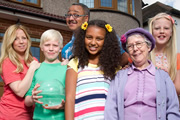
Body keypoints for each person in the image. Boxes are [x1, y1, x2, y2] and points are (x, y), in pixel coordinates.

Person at [104, 28, 180, 120]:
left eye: (139, 44)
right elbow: (111, 108)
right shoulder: (120, 77)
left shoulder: (163, 77)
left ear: (148, 47)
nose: (135, 49)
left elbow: (172, 109)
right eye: (130, 46)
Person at [65, 19, 127, 120]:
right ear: (82, 38)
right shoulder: (75, 64)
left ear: (106, 42)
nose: (93, 42)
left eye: (99, 39)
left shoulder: (113, 68)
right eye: (89, 37)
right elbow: (69, 98)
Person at [62, 3, 129, 65]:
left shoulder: (104, 36)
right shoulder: (66, 50)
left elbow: (125, 57)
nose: (71, 18)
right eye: (69, 15)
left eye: (76, 15)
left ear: (86, 18)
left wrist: (110, 72)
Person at [25, 29, 67, 120]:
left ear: (60, 48)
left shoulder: (67, 68)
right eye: (47, 45)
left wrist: (65, 105)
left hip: (61, 117)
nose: (51, 48)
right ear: (41, 47)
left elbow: (73, 97)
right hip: (39, 118)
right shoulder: (36, 69)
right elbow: (27, 101)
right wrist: (32, 98)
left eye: (55, 45)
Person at [0, 24, 40, 120]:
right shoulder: (8, 61)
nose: (21, 42)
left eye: (24, 38)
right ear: (10, 42)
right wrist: (31, 69)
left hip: (31, 113)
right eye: (16, 39)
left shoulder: (33, 60)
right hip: (11, 113)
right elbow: (20, 91)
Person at [148, 12, 180, 95]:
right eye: (157, 28)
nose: (161, 31)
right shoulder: (144, 55)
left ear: (171, 32)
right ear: (151, 31)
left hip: (168, 105)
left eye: (166, 28)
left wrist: (164, 78)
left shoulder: (177, 58)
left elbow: (177, 89)